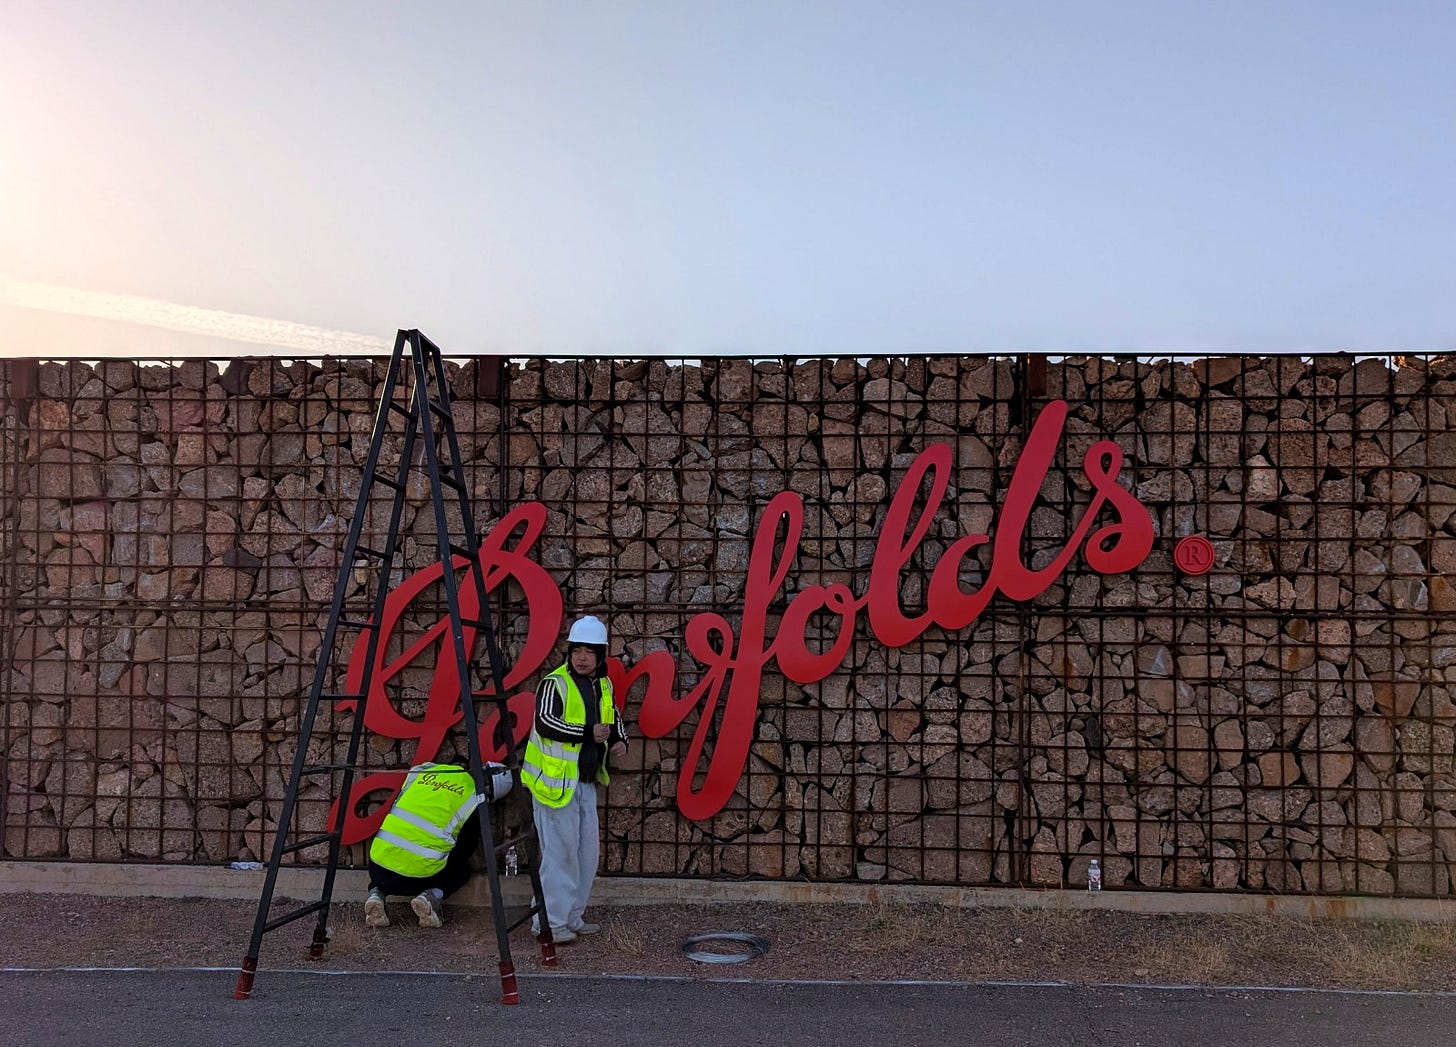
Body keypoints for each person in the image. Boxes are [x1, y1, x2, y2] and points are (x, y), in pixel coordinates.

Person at [523, 614, 627, 944]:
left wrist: (620, 739)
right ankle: (550, 925)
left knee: (585, 855)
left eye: (589, 651)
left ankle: (571, 917)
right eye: (576, 650)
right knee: (559, 856)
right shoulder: (554, 683)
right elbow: (544, 723)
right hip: (554, 785)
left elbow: (612, 718)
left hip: (583, 783)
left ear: (600, 655)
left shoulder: (603, 685)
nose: (581, 657)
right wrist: (587, 733)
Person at [363, 761, 511, 929]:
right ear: (490, 793)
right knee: (462, 870)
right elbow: (464, 849)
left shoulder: (428, 770)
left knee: (388, 856)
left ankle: (376, 894)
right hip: (420, 879)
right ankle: (430, 897)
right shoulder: (473, 798)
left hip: (378, 867)